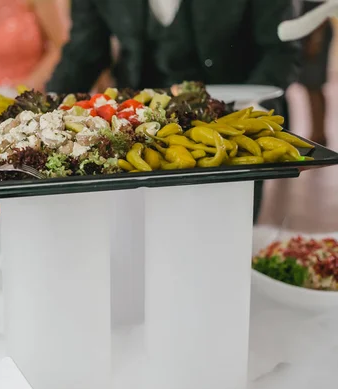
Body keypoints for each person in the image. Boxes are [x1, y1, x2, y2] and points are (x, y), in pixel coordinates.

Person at [46, 0, 301, 223]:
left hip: (229, 135)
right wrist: (46, 112)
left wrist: (248, 108)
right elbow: (84, 51)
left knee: (223, 239)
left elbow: (281, 51)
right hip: (138, 137)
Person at [298, 1, 334, 146]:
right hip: (311, 26)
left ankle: (318, 133)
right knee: (311, 86)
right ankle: (318, 131)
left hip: (316, 28)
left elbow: (323, 7)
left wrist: (316, 38)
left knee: (314, 84)